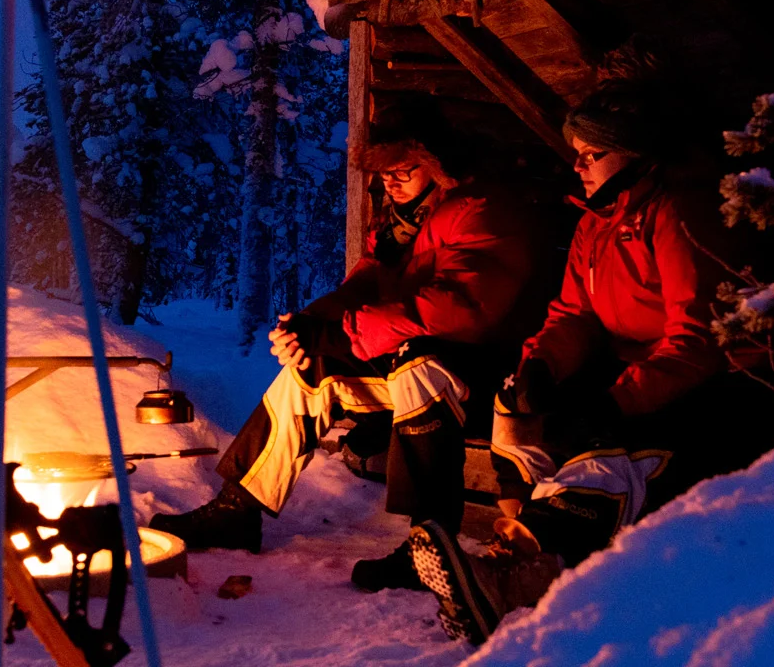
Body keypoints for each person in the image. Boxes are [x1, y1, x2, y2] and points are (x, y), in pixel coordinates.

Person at [407, 64, 774, 645]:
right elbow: (572, 314)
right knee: (519, 415)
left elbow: (699, 341)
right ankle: (520, 553)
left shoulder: (679, 212)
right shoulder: (597, 222)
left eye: (591, 154)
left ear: (633, 153)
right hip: (641, 373)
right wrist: (539, 366)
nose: (577, 166)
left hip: (725, 384)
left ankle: (512, 576)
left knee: (611, 458)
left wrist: (616, 404)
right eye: (577, 154)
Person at [150, 134, 553, 593]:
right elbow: (360, 289)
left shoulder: (480, 211)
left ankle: (430, 543)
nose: (391, 182)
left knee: (418, 366)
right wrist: (309, 326)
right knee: (312, 371)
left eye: (404, 170)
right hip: (421, 361)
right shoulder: (401, 227)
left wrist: (345, 332)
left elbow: (462, 307)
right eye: (384, 172)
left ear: (436, 165)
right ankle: (237, 508)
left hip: (491, 374)